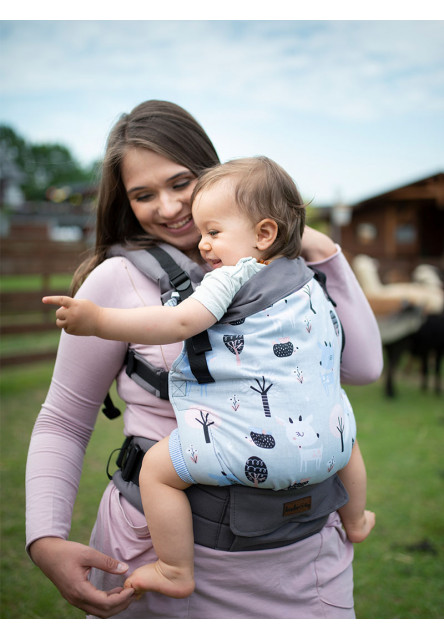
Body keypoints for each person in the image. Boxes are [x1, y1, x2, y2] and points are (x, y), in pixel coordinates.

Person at [26, 100, 383, 619]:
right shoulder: (117, 280)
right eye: (143, 195)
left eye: (181, 183)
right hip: (158, 544)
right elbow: (64, 417)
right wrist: (44, 536)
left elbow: (365, 368)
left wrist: (314, 244)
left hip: (303, 555)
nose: (168, 208)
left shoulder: (286, 267)